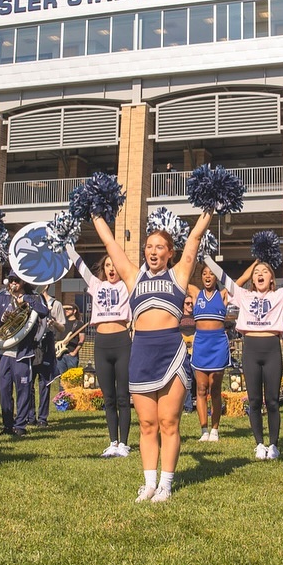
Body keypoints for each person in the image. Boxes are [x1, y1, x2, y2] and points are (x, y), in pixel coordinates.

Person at [90, 208, 212, 502]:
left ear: (170, 252)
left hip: (171, 351)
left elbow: (195, 237)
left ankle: (167, 485)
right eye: (148, 247)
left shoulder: (179, 274)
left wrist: (210, 207)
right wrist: (94, 213)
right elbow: (111, 245)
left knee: (169, 422)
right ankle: (149, 484)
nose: (153, 251)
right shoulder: (133, 276)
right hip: (141, 352)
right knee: (147, 424)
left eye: (160, 247)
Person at [204, 253, 283, 459]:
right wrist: (205, 257)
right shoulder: (243, 295)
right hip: (250, 348)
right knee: (255, 400)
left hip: (272, 348)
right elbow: (223, 277)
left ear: (272, 278)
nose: (260, 275)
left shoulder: (280, 295)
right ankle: (259, 443)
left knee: (273, 400)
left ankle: (274, 444)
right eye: (257, 272)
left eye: (264, 272)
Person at [66, 248, 133, 458]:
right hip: (102, 344)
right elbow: (80, 266)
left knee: (123, 396)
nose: (112, 270)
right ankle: (112, 441)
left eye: (115, 266)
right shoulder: (96, 285)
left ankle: (124, 443)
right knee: (108, 396)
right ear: (103, 269)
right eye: (108, 266)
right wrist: (68, 245)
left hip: (122, 342)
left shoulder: (127, 285)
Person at [0, 274, 50, 437]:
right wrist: (3, 318)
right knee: (4, 390)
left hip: (23, 352)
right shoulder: (1, 298)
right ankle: (7, 424)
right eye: (11, 280)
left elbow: (44, 312)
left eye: (17, 280)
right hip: (4, 351)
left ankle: (20, 425)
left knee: (23, 390)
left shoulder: (33, 297)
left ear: (23, 281)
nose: (13, 283)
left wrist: (27, 300)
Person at [189, 264, 236, 442]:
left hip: (217, 343)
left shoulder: (223, 294)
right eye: (205, 274)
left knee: (214, 388)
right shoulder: (195, 293)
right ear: (201, 277)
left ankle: (215, 429)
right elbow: (180, 277)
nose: (208, 276)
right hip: (201, 343)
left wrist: (256, 262)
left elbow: (239, 282)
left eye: (212, 274)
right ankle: (204, 430)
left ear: (217, 277)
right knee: (201, 388)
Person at [28, 291, 67, 428]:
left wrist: (53, 323)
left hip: (46, 345)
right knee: (28, 383)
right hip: (31, 344)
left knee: (45, 382)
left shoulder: (56, 304)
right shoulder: (29, 300)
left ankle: (43, 418)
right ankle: (30, 416)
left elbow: (62, 327)